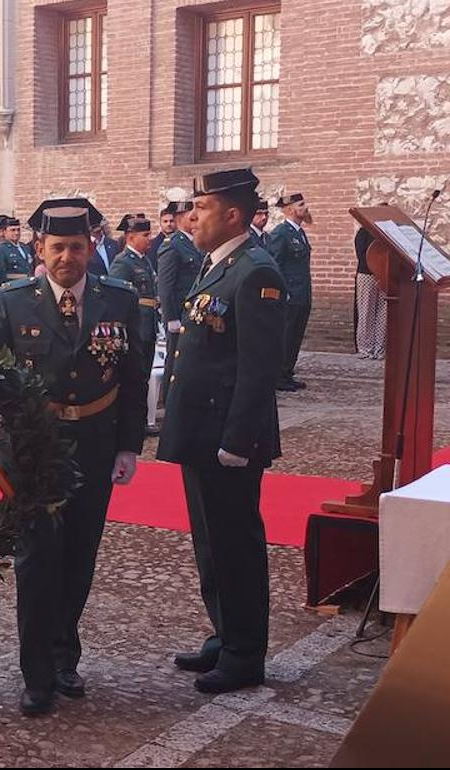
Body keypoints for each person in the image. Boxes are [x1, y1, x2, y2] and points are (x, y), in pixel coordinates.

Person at [0, 199, 146, 717]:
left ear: (91, 247)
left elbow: (134, 378)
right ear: (41, 249)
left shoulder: (118, 299)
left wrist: (128, 445)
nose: (67, 258)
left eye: (76, 247)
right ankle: (36, 673)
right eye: (57, 248)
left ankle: (64, 655)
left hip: (94, 446)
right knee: (35, 560)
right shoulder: (14, 301)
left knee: (79, 555)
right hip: (32, 449)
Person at [157, 168, 287, 695]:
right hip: (201, 430)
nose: (192, 217)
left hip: (228, 438)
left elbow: (258, 369)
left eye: (201, 208)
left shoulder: (256, 272)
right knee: (210, 542)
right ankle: (224, 631)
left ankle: (245, 652)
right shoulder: (219, 265)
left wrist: (237, 440)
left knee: (236, 543)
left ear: (232, 214)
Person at [268, 193, 313, 391]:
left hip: (302, 293)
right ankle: (278, 375)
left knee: (295, 335)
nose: (305, 208)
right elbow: (275, 264)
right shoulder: (281, 233)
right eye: (301, 205)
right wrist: (282, 291)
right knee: (286, 335)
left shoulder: (299, 233)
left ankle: (288, 372)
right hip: (289, 294)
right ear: (289, 209)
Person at [157, 200, 204, 387]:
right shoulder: (172, 245)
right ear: (177, 219)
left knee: (192, 360)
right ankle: (170, 399)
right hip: (179, 312)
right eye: (187, 215)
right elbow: (166, 286)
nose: (193, 218)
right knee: (176, 359)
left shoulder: (195, 242)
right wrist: (171, 318)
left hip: (194, 311)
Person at [109, 215, 160, 379]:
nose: (149, 239)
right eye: (145, 235)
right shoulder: (123, 262)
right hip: (136, 326)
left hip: (148, 324)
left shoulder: (145, 261)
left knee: (145, 373)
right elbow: (116, 298)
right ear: (131, 237)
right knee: (136, 374)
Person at [354, 221, 385, 360]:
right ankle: (366, 348)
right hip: (367, 274)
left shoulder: (388, 233)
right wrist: (375, 268)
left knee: (383, 313)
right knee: (366, 311)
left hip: (386, 275)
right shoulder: (364, 232)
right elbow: (361, 254)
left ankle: (380, 348)